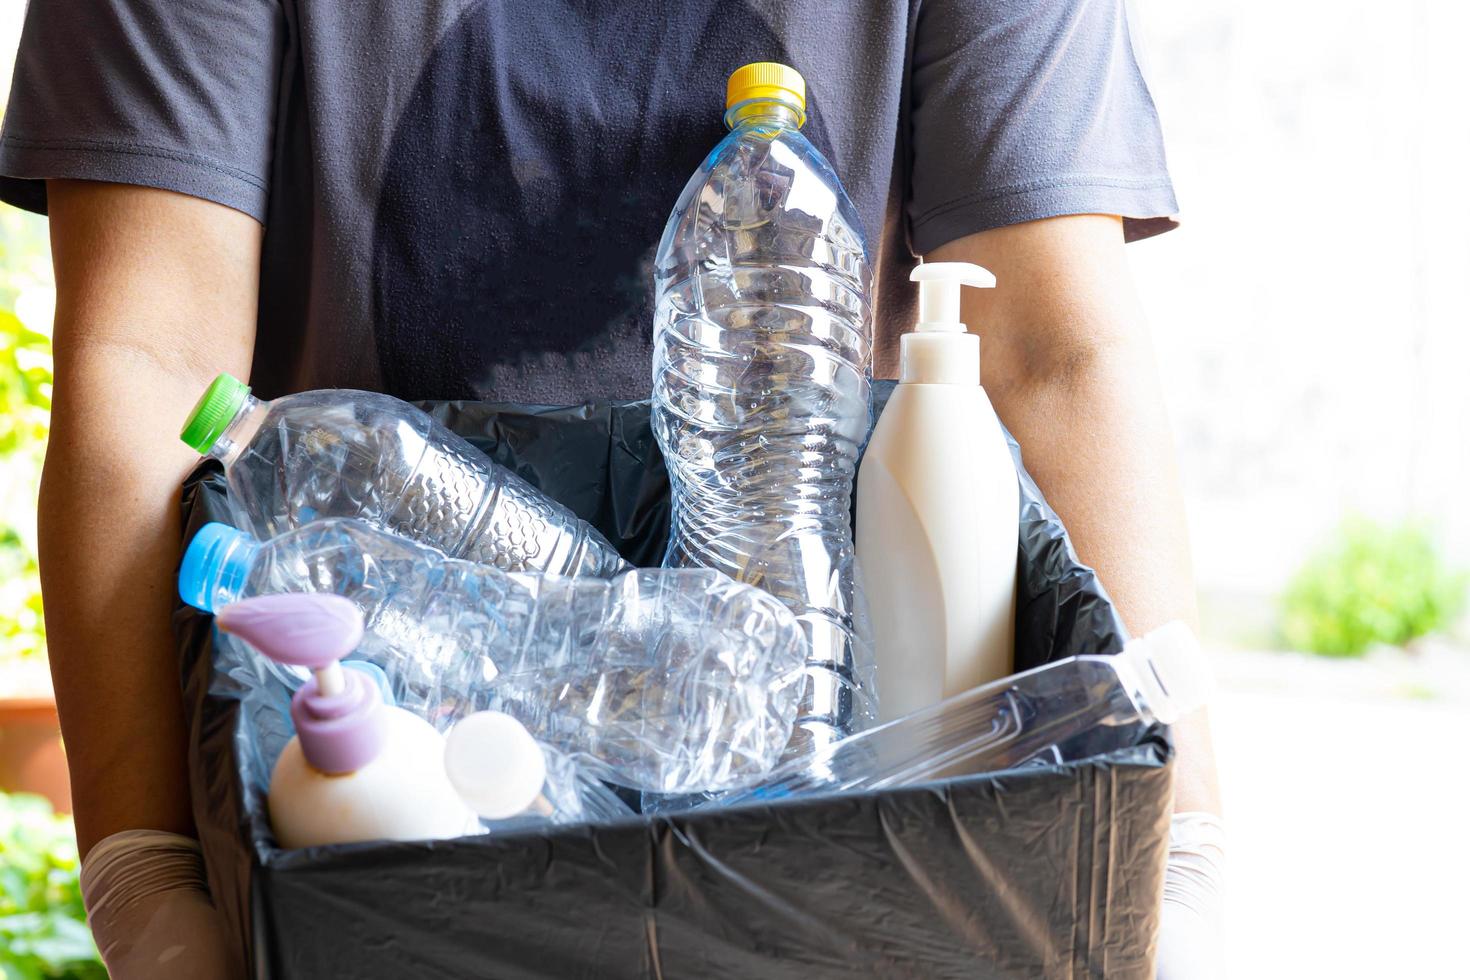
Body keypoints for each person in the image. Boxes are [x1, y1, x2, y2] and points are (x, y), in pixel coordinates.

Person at [0, 1, 1223, 976]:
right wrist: (152, 873)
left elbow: (1053, 353)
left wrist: (1178, 864)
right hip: (400, 808)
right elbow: (152, 362)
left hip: (827, 795)